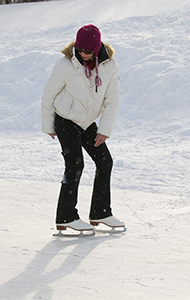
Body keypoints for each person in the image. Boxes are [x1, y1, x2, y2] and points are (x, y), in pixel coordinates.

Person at [41, 24, 124, 232]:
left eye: (88, 51)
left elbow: (112, 100)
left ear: (97, 49)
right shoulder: (65, 64)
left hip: (88, 124)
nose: (83, 54)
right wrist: (48, 124)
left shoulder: (109, 66)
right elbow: (49, 95)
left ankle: (101, 212)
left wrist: (104, 129)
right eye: (80, 50)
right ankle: (66, 217)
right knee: (75, 165)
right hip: (66, 120)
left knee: (105, 162)